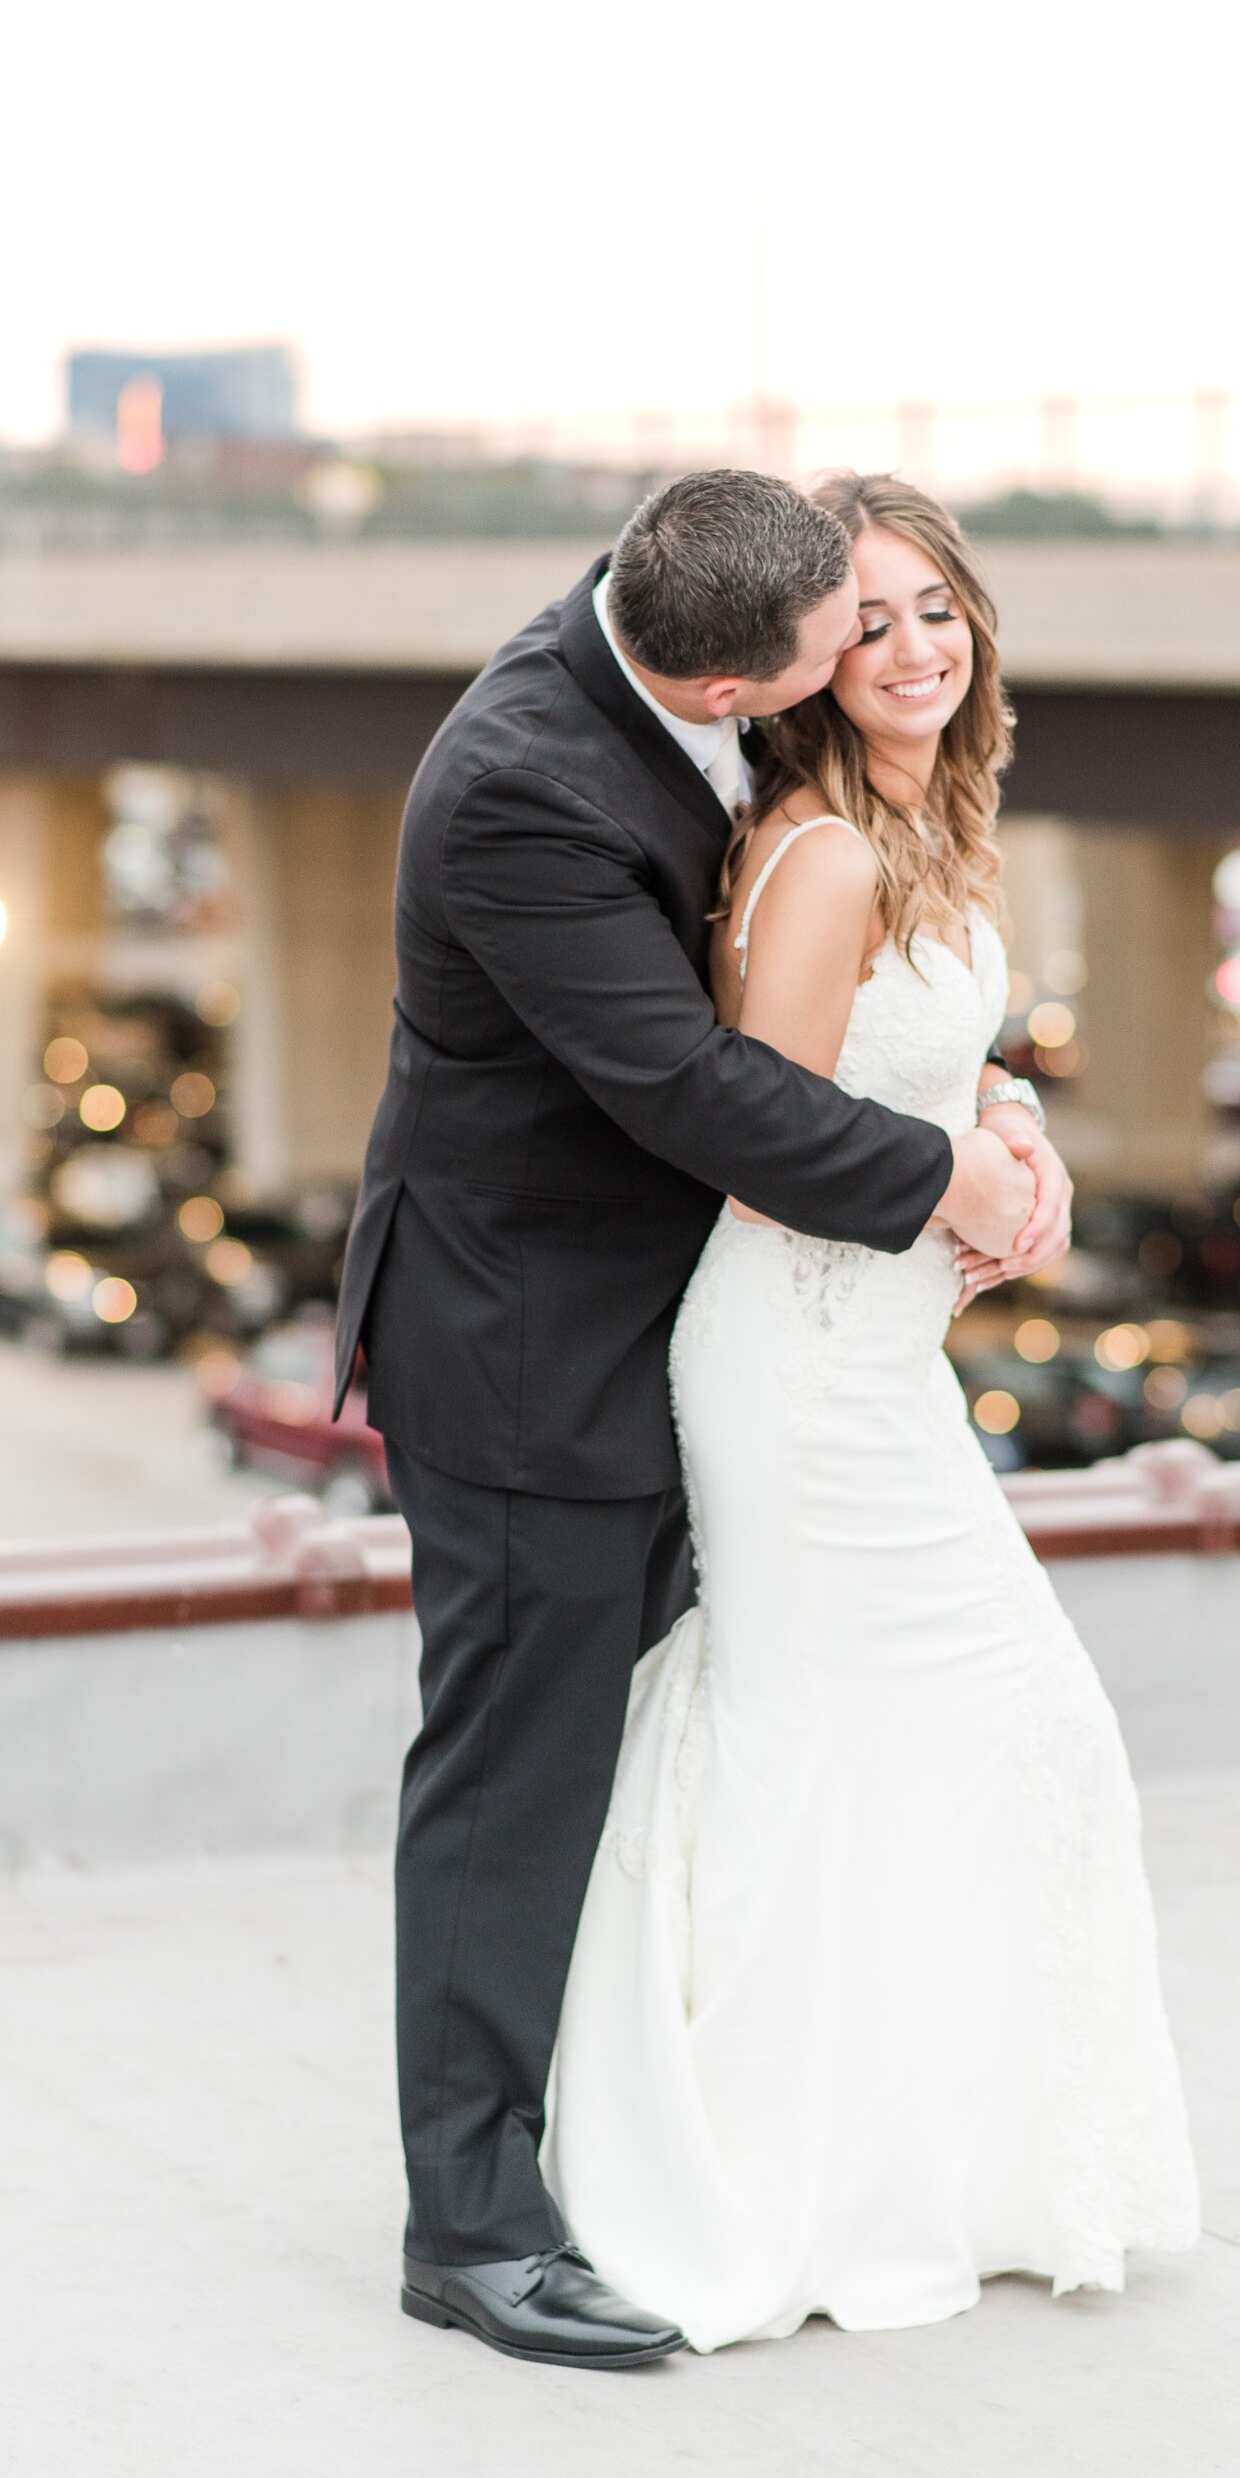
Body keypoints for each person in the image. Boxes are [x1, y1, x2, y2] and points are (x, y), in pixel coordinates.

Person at [332, 469, 1058, 2370]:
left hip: (699, 1335)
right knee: (520, 1775)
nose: (871, 668)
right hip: (524, 1344)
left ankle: (681, 2135)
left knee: (689, 1754)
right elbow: (686, 1088)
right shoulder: (519, 786)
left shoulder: (707, 615)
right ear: (734, 684)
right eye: (838, 651)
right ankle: (468, 2226)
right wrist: (949, 1182)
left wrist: (1003, 1118)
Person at [541, 472, 1201, 2352]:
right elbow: (759, 1140)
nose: (911, 649)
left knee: (944, 1745)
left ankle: (928, 2160)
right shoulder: (823, 848)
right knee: (884, 1738)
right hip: (798, 1366)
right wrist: (956, 1180)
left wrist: (1012, 1123)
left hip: (876, 1365)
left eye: (937, 611)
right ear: (814, 653)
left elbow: (936, 1051)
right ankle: (767, 2174)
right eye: (872, 620)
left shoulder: (929, 829)